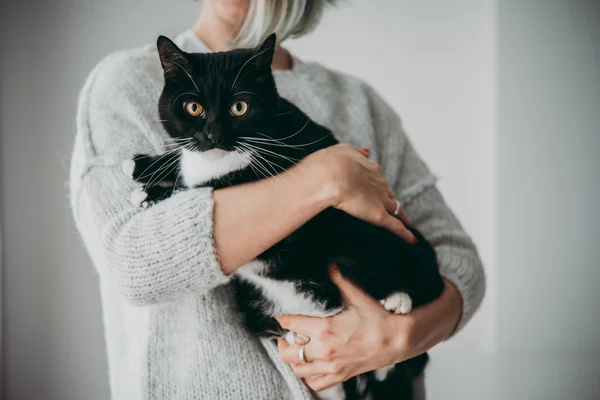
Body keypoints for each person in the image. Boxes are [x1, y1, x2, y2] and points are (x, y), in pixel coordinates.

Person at [69, 0, 485, 398]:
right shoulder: (125, 82)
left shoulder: (359, 100)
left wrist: (405, 335)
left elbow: (458, 258)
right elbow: (135, 264)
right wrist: (325, 178)